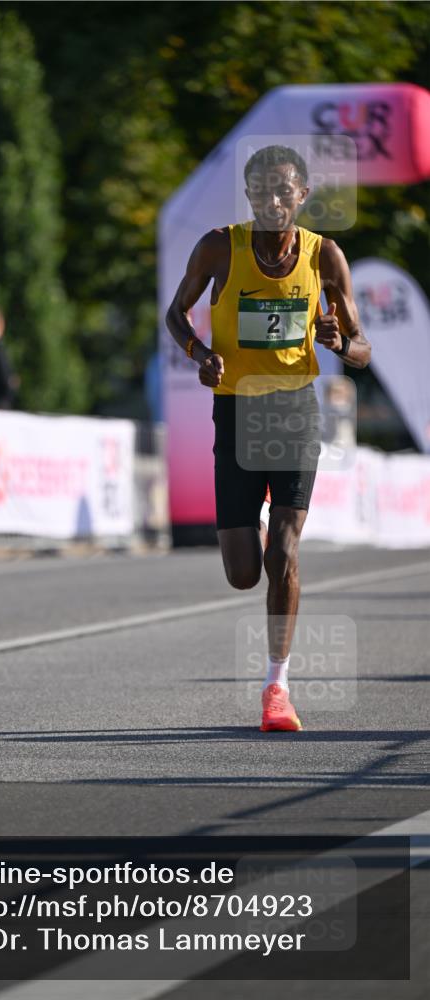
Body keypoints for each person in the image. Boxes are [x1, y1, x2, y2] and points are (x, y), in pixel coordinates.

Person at [165, 145, 371, 732]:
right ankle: (249, 523)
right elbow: (175, 314)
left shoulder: (324, 255)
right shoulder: (217, 247)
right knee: (242, 571)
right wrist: (199, 354)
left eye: (285, 191)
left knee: (285, 550)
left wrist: (337, 343)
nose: (273, 201)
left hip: (293, 413)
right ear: (249, 196)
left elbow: (362, 351)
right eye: (262, 191)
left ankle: (276, 687)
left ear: (302, 196)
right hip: (234, 413)